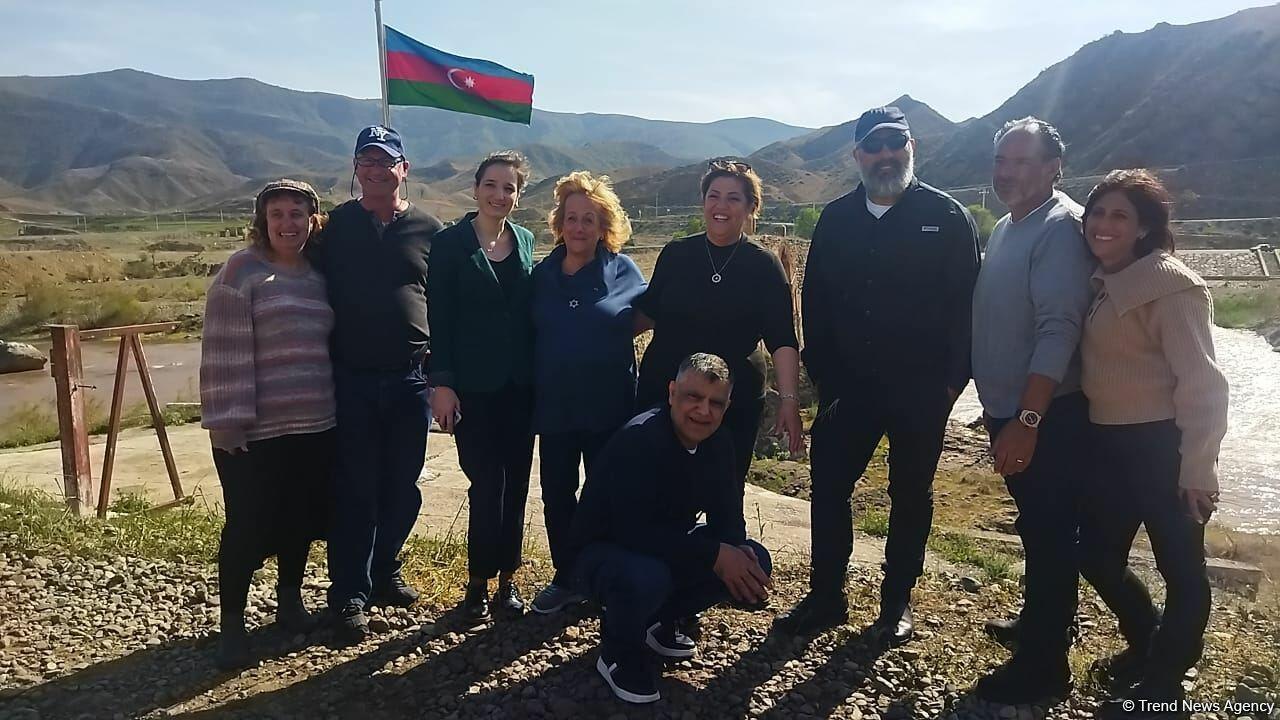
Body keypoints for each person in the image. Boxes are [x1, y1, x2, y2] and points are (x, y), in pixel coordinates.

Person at [778, 106, 980, 646]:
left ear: (912, 148)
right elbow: (816, 302)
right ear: (857, 156)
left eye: (896, 143)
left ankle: (896, 603)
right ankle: (826, 596)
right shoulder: (836, 218)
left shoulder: (948, 216)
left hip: (921, 390)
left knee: (910, 493)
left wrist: (951, 385)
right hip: (848, 388)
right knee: (829, 487)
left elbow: (967, 308)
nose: (886, 155)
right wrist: (824, 376)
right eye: (874, 146)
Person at [1076, 170, 1228, 717]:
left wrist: (1198, 468)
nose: (1104, 224)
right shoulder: (1106, 279)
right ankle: (1149, 641)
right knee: (1096, 555)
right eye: (1097, 213)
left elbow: (1204, 383)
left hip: (1163, 446)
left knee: (1181, 570)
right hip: (1110, 444)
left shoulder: (1172, 285)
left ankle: (1165, 683)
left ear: (1144, 228)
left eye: (1120, 215)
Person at [968, 116, 1096, 704]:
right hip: (1012, 410)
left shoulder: (1061, 228)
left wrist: (1026, 420)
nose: (1007, 172)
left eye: (1021, 161)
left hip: (1047, 415)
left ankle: (1044, 668)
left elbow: (1058, 329)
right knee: (1038, 528)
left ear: (1053, 168)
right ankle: (1043, 626)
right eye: (1001, 160)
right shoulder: (1009, 224)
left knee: (1050, 535)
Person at [571, 353, 774, 704]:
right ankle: (617, 652)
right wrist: (714, 554)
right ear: (671, 393)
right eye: (693, 397)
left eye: (716, 403)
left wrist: (739, 557)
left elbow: (727, 518)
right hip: (605, 553)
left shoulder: (720, 443)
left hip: (662, 547)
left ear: (727, 406)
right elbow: (631, 531)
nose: (703, 411)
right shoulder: (639, 440)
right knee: (648, 577)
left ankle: (659, 621)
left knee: (754, 558)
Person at [309, 125, 445, 644]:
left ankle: (385, 568)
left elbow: (444, 303)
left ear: (403, 169)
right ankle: (349, 594)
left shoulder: (430, 230)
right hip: (351, 377)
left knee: (402, 486)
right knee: (355, 489)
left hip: (411, 379)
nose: (375, 170)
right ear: (355, 168)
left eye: (385, 161)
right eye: (366, 161)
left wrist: (443, 373)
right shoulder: (334, 228)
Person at [200, 179, 335, 669]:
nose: (287, 223)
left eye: (297, 214)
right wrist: (226, 420)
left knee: (299, 519)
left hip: (315, 424)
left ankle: (290, 603)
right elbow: (221, 348)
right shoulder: (242, 271)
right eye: (277, 214)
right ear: (263, 220)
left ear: (312, 221)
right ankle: (232, 626)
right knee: (247, 525)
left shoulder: (319, 275)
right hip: (255, 432)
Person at [633, 159, 803, 497]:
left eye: (733, 198)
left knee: (724, 493)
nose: (720, 206)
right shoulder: (676, 254)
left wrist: (789, 401)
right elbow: (645, 315)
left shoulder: (764, 266)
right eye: (713, 196)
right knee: (654, 490)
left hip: (732, 403)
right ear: (703, 202)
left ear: (751, 207)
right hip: (665, 394)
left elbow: (782, 339)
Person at [529, 171, 647, 615]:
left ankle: (605, 579)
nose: (579, 227)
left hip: (609, 407)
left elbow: (648, 317)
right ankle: (567, 577)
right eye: (572, 218)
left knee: (607, 495)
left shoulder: (623, 270)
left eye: (589, 219)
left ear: (603, 227)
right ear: (560, 224)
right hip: (556, 408)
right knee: (557, 495)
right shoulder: (542, 274)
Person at [427, 150, 537, 624]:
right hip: (472, 387)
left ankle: (508, 581)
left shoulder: (526, 240)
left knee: (516, 484)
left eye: (509, 187)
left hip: (521, 387)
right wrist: (442, 383)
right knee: (486, 482)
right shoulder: (449, 243)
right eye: (491, 185)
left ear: (519, 195)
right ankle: (476, 582)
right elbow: (439, 317)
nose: (499, 194)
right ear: (475, 189)